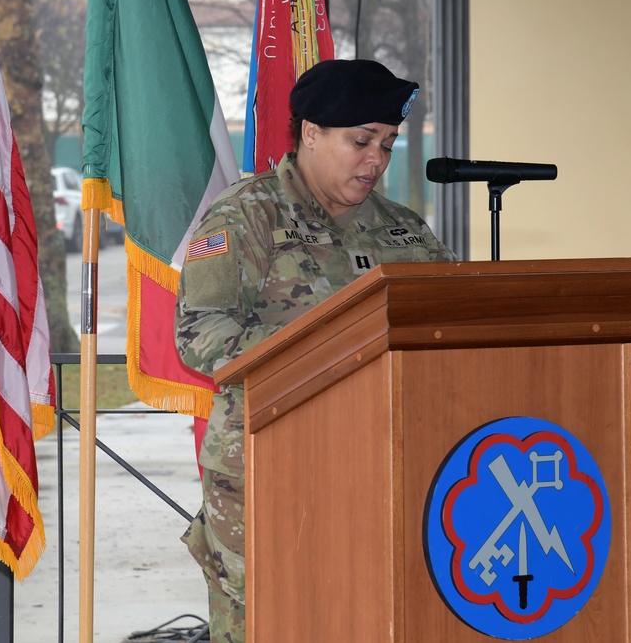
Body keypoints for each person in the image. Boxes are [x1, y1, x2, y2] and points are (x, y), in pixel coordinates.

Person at [174, 58, 456, 641]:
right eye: (361, 141)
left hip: (385, 460)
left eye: (387, 143)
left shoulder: (405, 231)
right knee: (273, 617)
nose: (376, 159)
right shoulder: (245, 216)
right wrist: (324, 361)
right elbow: (200, 333)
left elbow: (447, 330)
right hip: (270, 461)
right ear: (310, 134)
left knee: (372, 610)